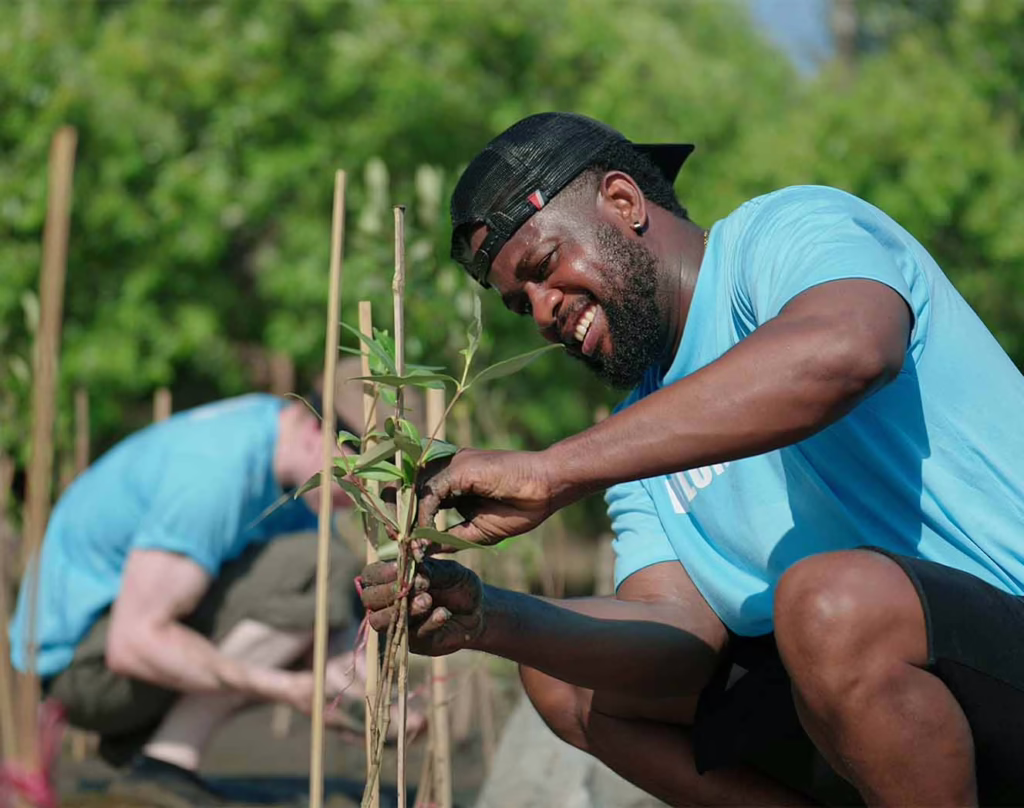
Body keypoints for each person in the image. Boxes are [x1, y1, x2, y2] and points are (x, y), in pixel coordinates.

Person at [360, 112, 1024, 807]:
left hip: (1000, 631)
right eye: (521, 305)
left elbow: (851, 349)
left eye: (543, 268)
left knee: (826, 604)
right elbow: (678, 642)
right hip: (876, 694)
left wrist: (552, 470)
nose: (544, 311)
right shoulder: (638, 434)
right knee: (565, 682)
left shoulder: (783, 233)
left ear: (623, 202)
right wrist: (489, 618)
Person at [8, 360, 405, 806]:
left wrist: (365, 692)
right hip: (79, 672)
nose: (368, 494)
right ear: (317, 431)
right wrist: (286, 689)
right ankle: (164, 763)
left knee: (324, 571)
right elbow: (134, 642)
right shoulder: (213, 475)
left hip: (114, 652)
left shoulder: (283, 456)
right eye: (365, 472)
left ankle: (152, 751)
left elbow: (316, 616)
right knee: (320, 564)